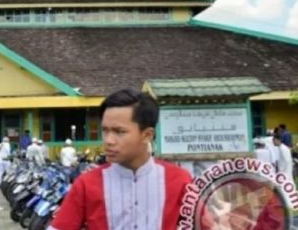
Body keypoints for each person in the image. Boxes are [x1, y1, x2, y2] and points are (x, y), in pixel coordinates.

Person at [49, 88, 192, 230]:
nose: (109, 140)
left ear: (147, 135)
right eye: (105, 131)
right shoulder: (86, 184)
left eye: (119, 132)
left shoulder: (180, 180)